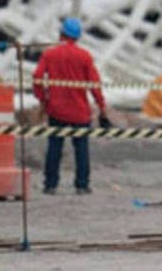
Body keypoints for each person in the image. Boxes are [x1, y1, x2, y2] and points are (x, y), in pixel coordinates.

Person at [32, 17, 108, 195]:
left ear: (61, 34)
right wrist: (102, 106)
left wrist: (43, 98)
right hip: (80, 112)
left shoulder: (50, 54)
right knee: (81, 149)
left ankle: (50, 185)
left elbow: (37, 76)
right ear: (78, 37)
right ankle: (82, 185)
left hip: (56, 110)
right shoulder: (84, 56)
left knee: (54, 148)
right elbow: (94, 84)